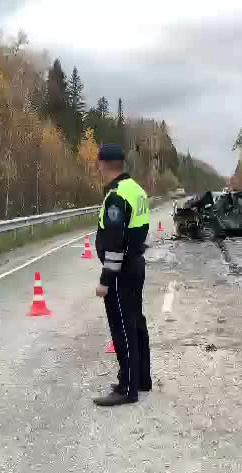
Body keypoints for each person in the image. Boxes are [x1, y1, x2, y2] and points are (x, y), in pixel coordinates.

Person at [92, 144, 152, 407]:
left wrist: (105, 280)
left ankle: (127, 388)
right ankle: (141, 378)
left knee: (123, 327)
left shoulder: (117, 195)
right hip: (135, 264)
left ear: (103, 164)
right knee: (136, 323)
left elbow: (115, 242)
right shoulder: (137, 190)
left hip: (121, 271)